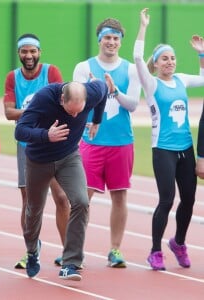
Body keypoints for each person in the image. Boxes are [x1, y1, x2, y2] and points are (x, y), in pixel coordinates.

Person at [15, 75, 115, 281]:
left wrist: (96, 120)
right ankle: (33, 250)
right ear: (62, 100)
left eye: (80, 111)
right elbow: (20, 130)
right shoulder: (44, 97)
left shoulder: (93, 91)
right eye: (71, 111)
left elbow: (104, 89)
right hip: (38, 160)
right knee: (34, 210)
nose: (76, 115)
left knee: (81, 201)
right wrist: (45, 135)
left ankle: (70, 263)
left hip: (69, 157)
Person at [134, 8, 204, 271]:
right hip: (162, 149)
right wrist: (143, 26)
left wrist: (201, 53)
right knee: (166, 199)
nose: (170, 62)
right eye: (164, 58)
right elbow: (137, 57)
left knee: (189, 199)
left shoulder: (181, 80)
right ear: (156, 63)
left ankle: (179, 243)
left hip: (186, 148)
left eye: (173, 58)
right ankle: (155, 251)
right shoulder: (151, 84)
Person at [73, 18, 141, 268]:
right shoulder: (84, 67)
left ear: (120, 41)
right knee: (82, 197)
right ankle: (74, 250)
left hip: (121, 141)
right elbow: (76, 102)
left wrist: (113, 91)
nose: (111, 42)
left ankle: (115, 250)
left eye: (116, 38)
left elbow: (133, 105)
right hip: (91, 141)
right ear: (99, 39)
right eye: (107, 37)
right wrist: (94, 89)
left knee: (120, 196)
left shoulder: (131, 69)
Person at [3, 33, 70, 268]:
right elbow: (8, 113)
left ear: (39, 52)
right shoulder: (12, 77)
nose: (29, 55)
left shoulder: (51, 73)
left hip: (53, 144)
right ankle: (31, 249)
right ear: (19, 53)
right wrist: (39, 111)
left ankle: (68, 252)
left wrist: (30, 112)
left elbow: (62, 104)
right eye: (24, 51)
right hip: (27, 146)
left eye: (33, 51)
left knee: (62, 198)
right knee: (29, 202)